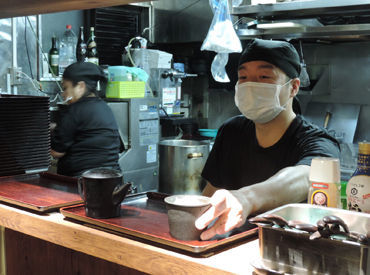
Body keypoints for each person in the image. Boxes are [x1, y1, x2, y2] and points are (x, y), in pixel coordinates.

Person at [195, 39, 340, 240]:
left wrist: (246, 198)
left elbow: (305, 177)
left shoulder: (318, 141)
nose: (251, 85)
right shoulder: (231, 132)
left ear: (293, 87)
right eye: (243, 77)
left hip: (289, 251)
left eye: (264, 76)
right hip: (231, 246)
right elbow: (211, 197)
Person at [51, 62, 121, 177]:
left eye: (65, 88)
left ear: (80, 86)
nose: (64, 94)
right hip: (110, 179)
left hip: (80, 183)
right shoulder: (104, 107)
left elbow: (56, 152)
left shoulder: (74, 110)